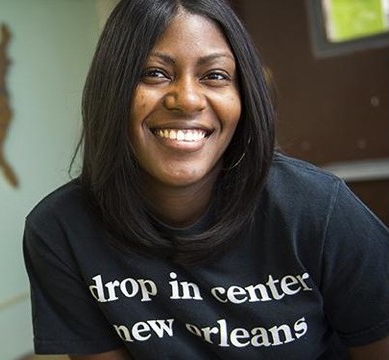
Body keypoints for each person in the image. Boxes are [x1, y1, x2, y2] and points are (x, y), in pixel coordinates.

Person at [23, 0, 389, 359]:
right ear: (111, 88)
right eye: (155, 73)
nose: (187, 100)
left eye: (214, 76)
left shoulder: (318, 208)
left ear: (243, 96)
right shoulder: (61, 230)